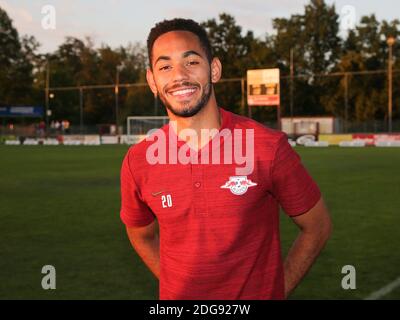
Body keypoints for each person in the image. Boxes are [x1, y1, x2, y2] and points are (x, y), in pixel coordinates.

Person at [120, 18, 332, 300]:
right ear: (152, 81)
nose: (179, 75)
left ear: (214, 69)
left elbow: (317, 226)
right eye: (165, 66)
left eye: (192, 62)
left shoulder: (266, 147)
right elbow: (140, 234)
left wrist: (275, 291)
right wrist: (176, 284)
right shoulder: (139, 160)